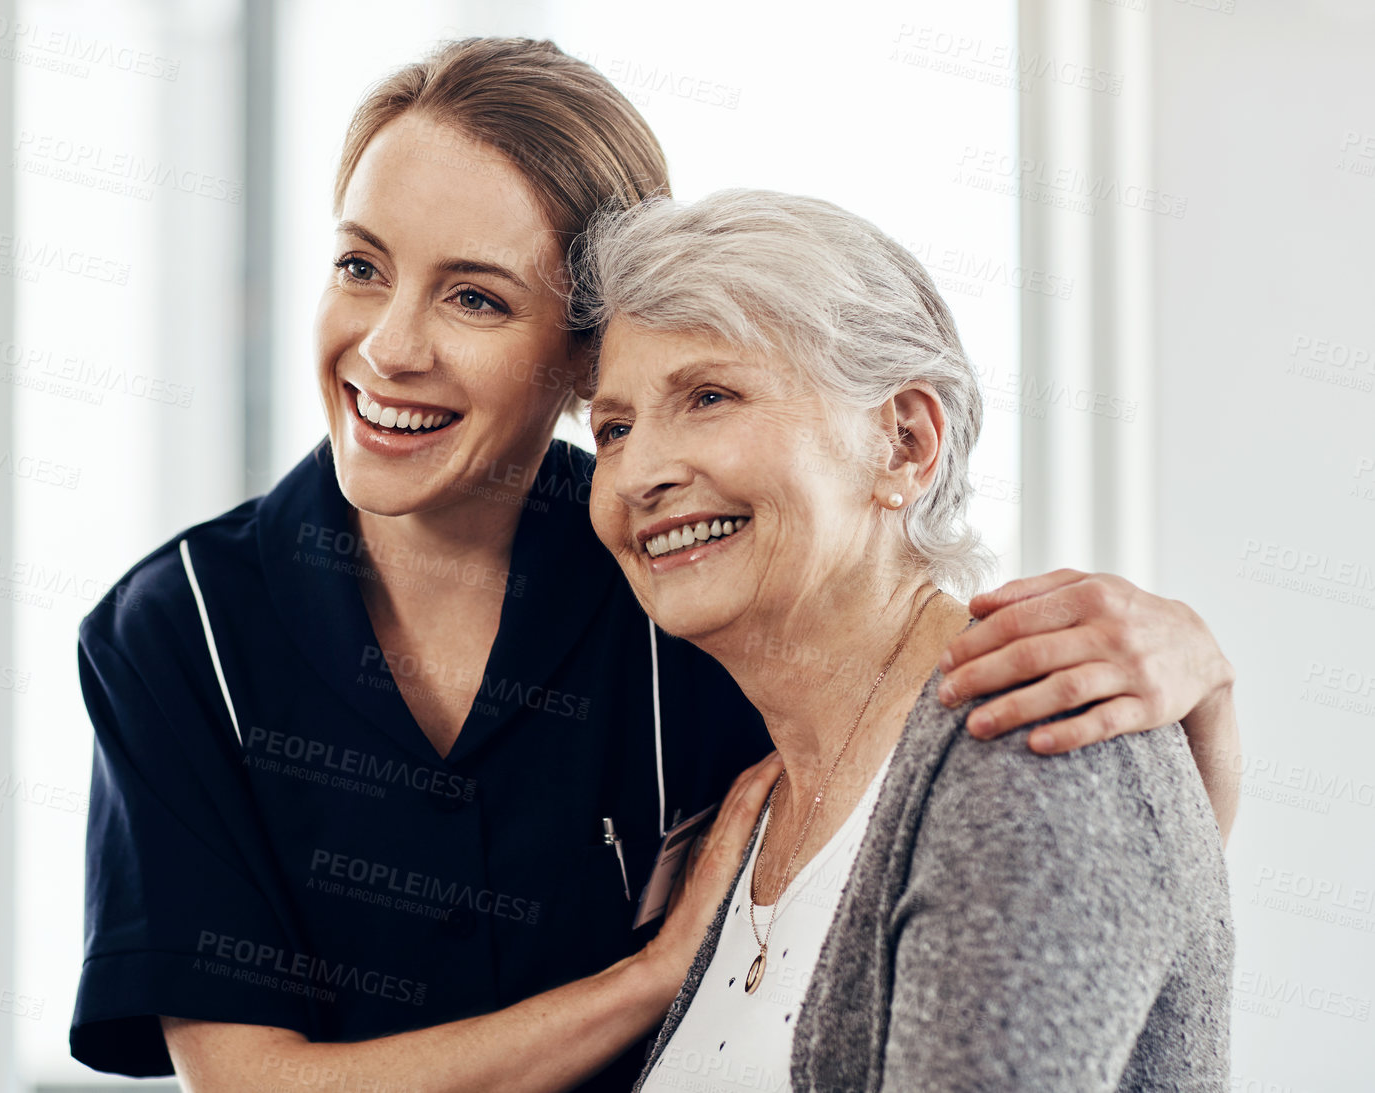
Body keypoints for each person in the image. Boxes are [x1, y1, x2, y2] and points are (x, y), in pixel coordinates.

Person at [71, 38, 1241, 1093]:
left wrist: (1191, 686)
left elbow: (1006, 842)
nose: (388, 346)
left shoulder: (691, 586)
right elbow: (244, 1084)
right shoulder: (183, 632)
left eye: (475, 295)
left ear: (580, 355)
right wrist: (655, 977)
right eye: (359, 265)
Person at [572, 188, 1231, 1091]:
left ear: (905, 443)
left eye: (710, 395)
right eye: (614, 428)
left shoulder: (1027, 742)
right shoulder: (750, 813)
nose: (638, 472)